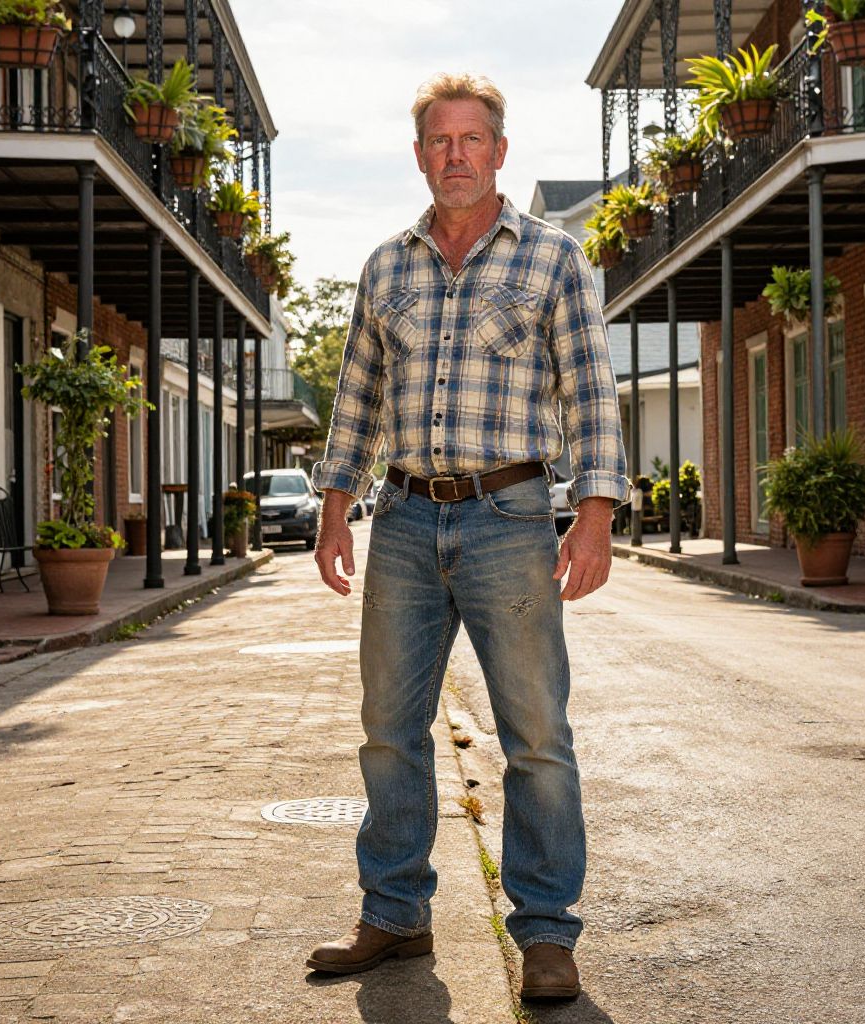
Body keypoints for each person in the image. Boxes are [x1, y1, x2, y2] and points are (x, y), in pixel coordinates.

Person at [307, 72, 628, 1001]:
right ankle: (395, 914)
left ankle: (545, 934)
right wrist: (336, 502)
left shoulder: (553, 259)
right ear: (419, 155)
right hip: (402, 519)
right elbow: (357, 397)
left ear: (498, 151)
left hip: (510, 519)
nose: (455, 155)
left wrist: (596, 512)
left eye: (471, 139)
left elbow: (590, 394)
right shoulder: (385, 267)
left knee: (534, 734)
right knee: (387, 728)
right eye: (438, 141)